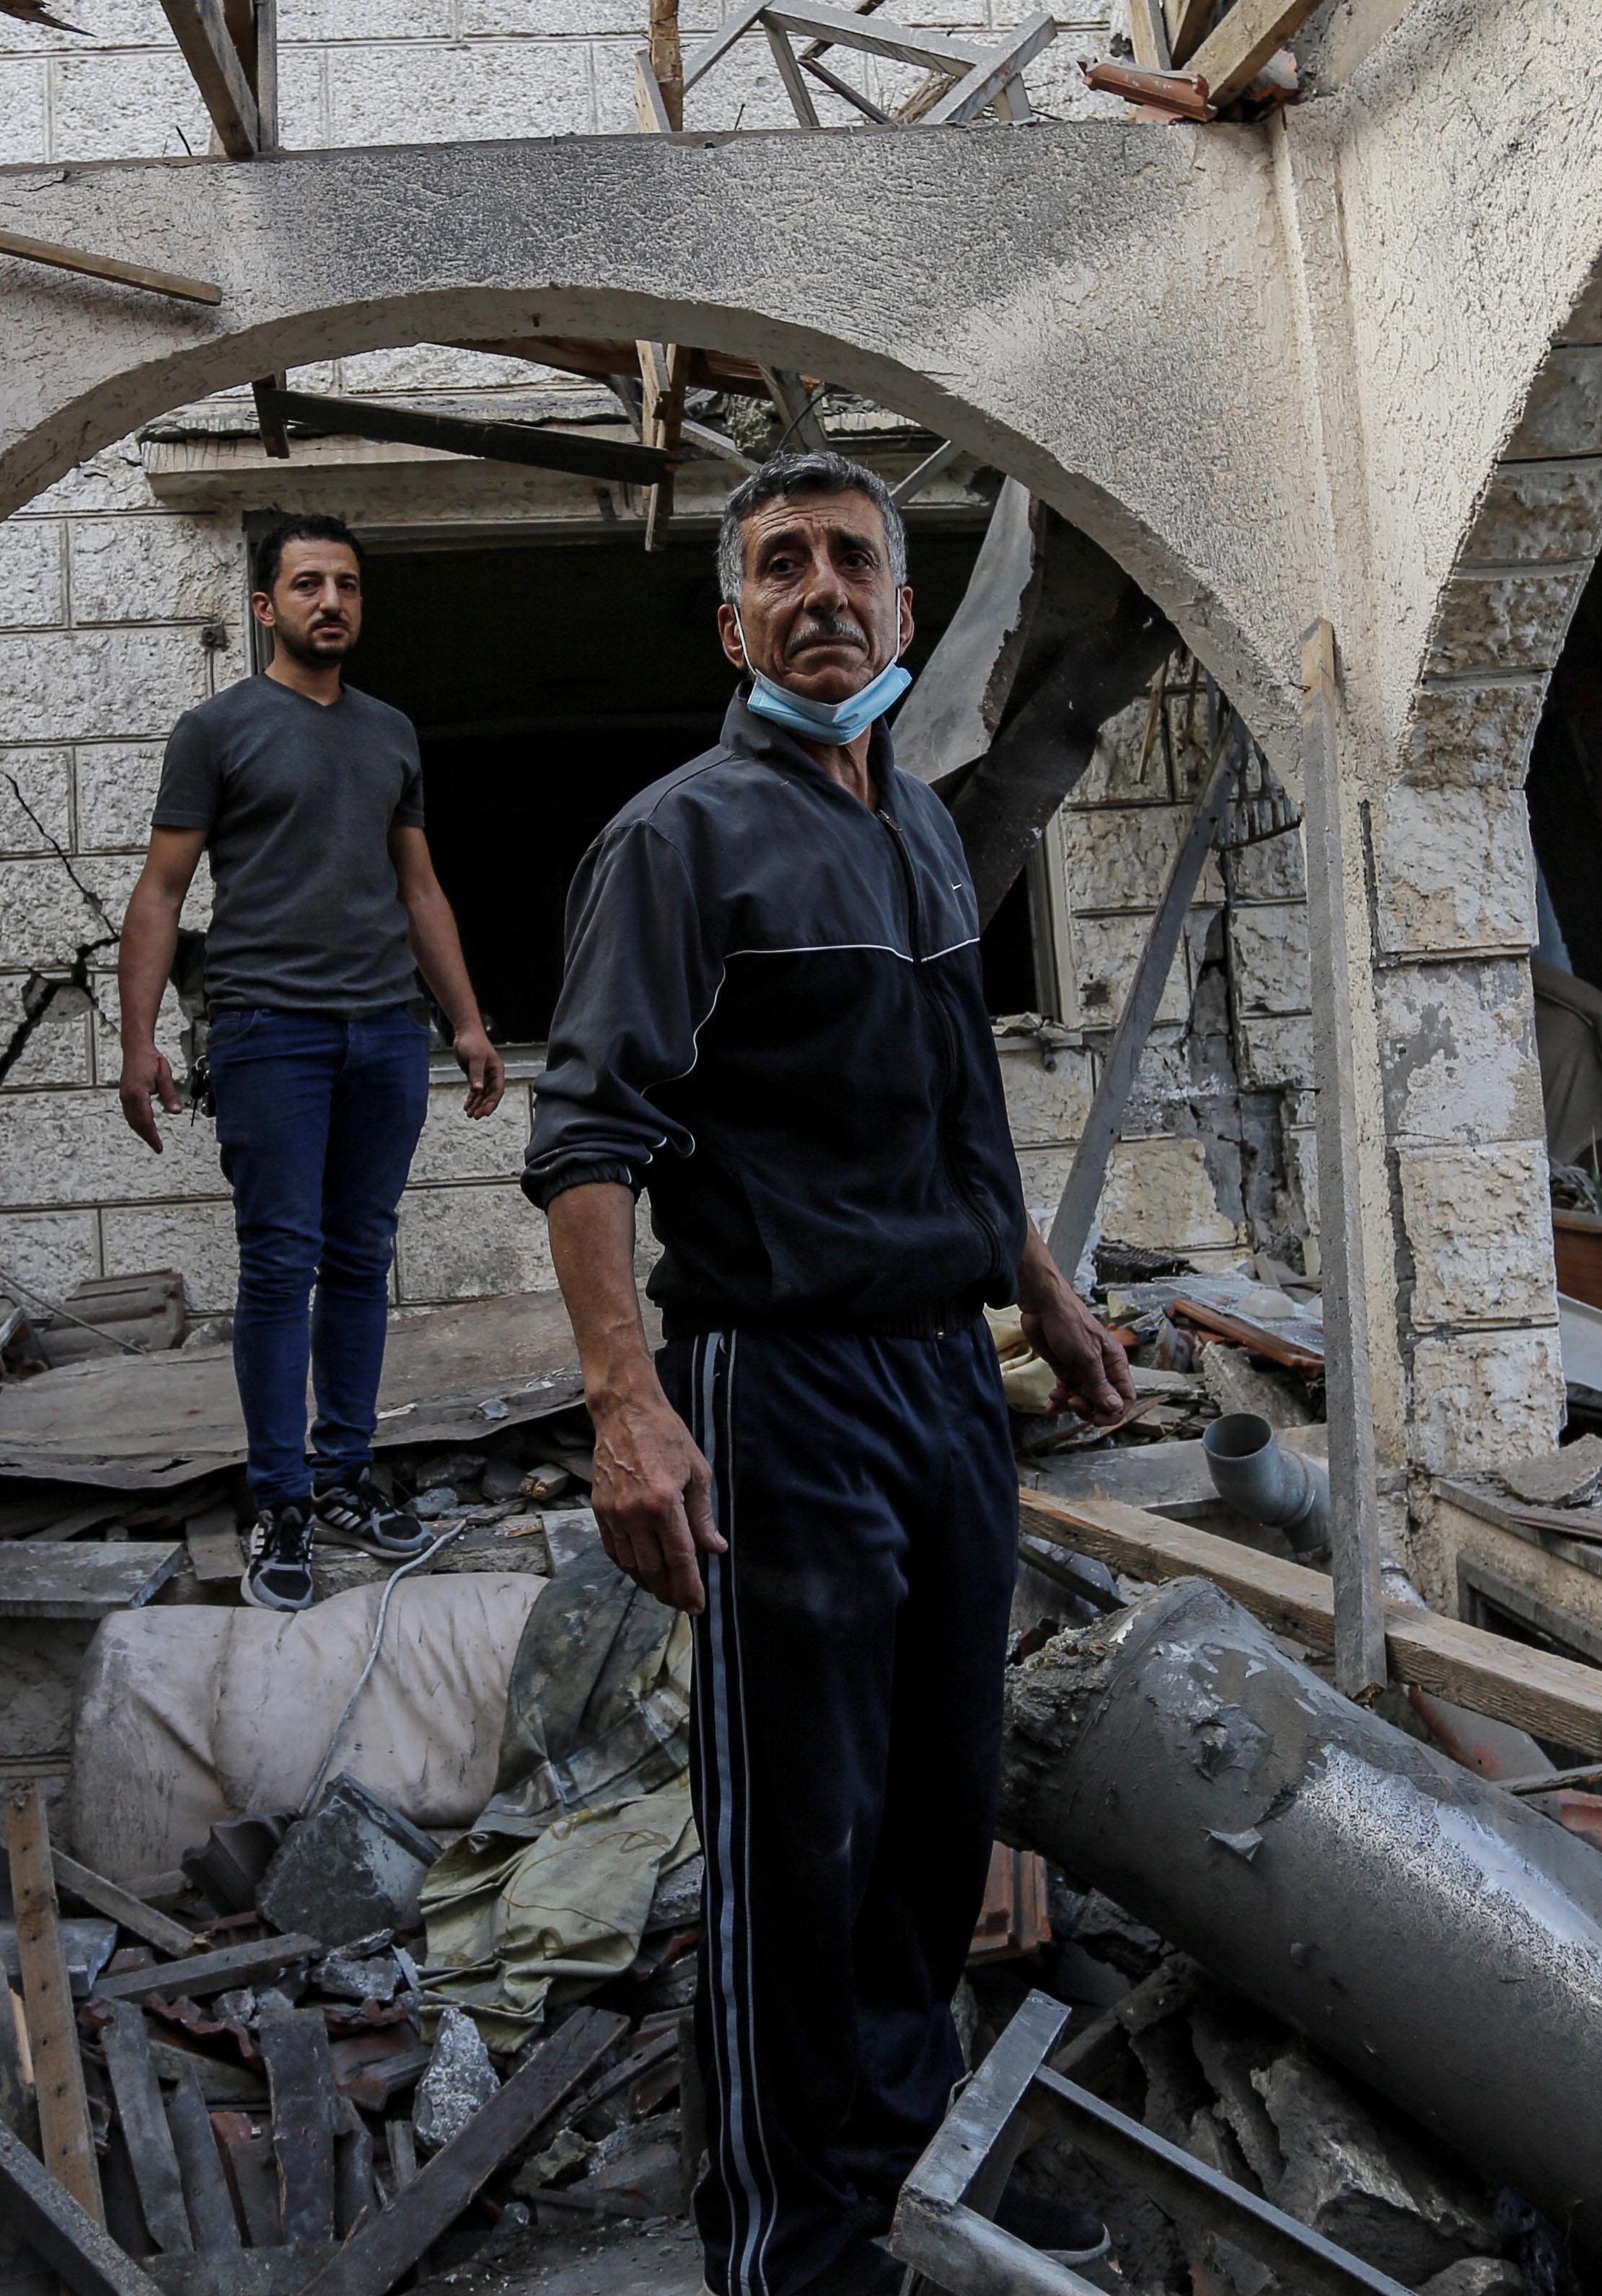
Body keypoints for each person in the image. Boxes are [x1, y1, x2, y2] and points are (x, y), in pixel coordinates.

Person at [519, 449, 1137, 2296]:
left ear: (904, 607)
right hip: (777, 1388)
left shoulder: (924, 826)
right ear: (735, 620)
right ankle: (790, 2252)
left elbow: (961, 1102)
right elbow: (585, 1144)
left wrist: (1043, 1290)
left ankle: (904, 2174)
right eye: (778, 565)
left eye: (851, 560)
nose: (820, 592)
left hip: (946, 1383)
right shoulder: (679, 839)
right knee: (807, 1833)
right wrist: (627, 1409)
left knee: (936, 1817)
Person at [118, 514, 508, 1613]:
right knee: (280, 1261)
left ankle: (345, 1470)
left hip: (385, 1028)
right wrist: (140, 1040)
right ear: (265, 606)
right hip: (267, 1028)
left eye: (345, 585)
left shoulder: (391, 734)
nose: (328, 601)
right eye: (305, 585)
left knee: (361, 1254)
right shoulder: (216, 729)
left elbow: (419, 889)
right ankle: (280, 1494)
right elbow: (161, 894)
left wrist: (468, 1022)